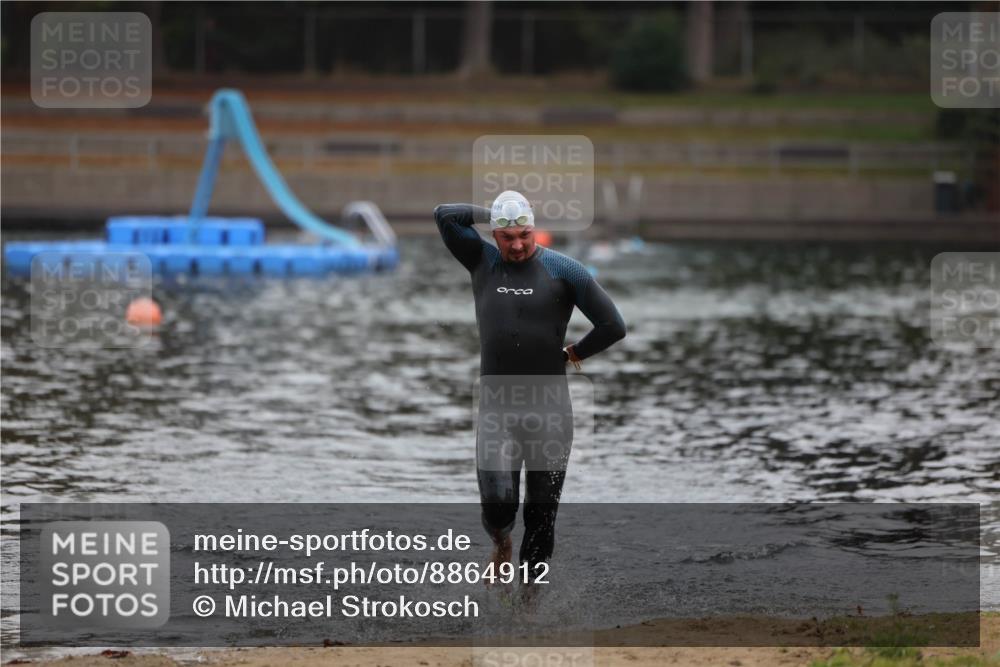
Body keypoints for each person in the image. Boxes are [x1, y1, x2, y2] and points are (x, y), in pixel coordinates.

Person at [434, 190, 626, 592]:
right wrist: (497, 214)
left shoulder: (564, 270)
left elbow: (613, 325)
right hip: (497, 411)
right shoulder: (481, 260)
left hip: (551, 413)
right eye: (508, 237)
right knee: (499, 503)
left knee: (541, 516)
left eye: (525, 233)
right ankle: (501, 544)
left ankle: (530, 602)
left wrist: (572, 353)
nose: (518, 244)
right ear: (495, 236)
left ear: (533, 229)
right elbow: (445, 215)